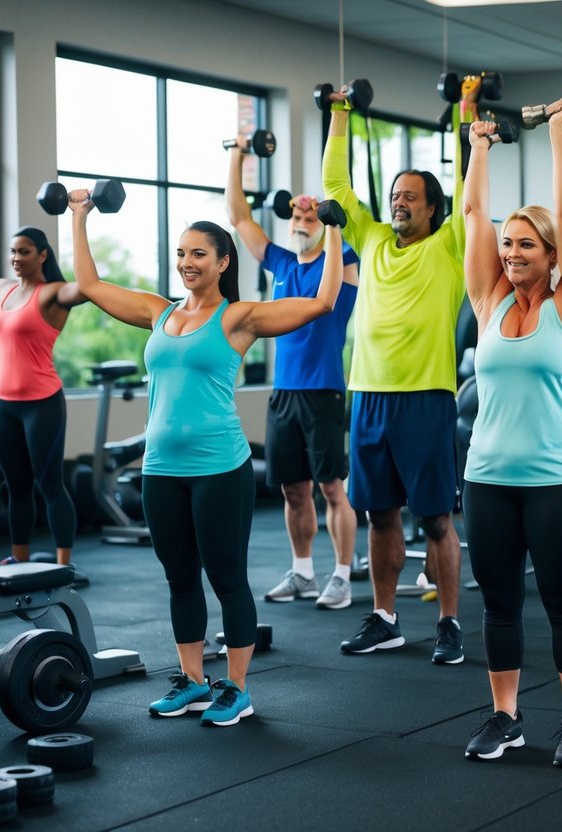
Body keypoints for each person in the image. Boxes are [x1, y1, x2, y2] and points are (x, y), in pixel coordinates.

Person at [70, 190, 343, 727]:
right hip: (161, 471)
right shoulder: (158, 312)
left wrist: (333, 231)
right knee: (179, 578)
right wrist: (79, 217)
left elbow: (322, 304)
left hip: (220, 468)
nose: (187, 263)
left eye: (199, 254)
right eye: (181, 253)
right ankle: (193, 681)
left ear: (223, 262)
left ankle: (236, 688)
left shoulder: (238, 318)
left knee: (226, 577)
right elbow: (90, 286)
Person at [460, 103, 562, 767]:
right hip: (486, 479)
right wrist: (478, 145)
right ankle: (505, 715)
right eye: (506, 243)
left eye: (524, 245)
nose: (510, 253)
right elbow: (469, 219)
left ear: (548, 255)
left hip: (554, 481)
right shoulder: (487, 302)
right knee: (499, 604)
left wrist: (555, 137)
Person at [323, 83, 475, 663]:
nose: (399, 203)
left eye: (411, 196)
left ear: (433, 208)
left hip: (426, 398)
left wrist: (466, 117)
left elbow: (469, 190)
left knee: (435, 517)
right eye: (395, 195)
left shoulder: (450, 246)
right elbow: (337, 186)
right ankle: (385, 617)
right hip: (368, 398)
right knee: (378, 512)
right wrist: (339, 112)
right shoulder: (375, 240)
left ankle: (449, 622)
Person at [225, 137, 360, 610]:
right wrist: (237, 155)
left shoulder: (339, 265)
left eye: (311, 219)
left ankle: (342, 574)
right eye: (299, 218)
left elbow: (340, 261)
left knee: (331, 488)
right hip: (283, 393)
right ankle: (303, 571)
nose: (303, 224)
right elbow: (240, 218)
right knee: (292, 488)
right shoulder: (280, 262)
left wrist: (334, 222)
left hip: (323, 392)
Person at [0, 227, 87, 580]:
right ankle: (18, 559)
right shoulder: (3, 289)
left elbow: (86, 287)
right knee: (16, 487)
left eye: (24, 252)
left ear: (43, 255)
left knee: (49, 485)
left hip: (42, 404)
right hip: (5, 406)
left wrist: (78, 222)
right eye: (13, 252)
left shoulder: (52, 295)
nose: (16, 259)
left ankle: (64, 564)